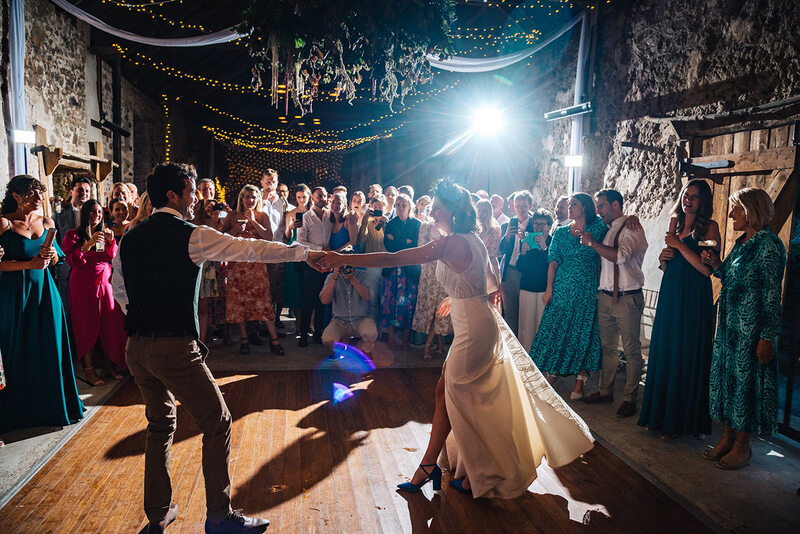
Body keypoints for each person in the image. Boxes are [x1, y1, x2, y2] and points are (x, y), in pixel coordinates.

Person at [319, 180, 594, 498]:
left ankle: (488, 468)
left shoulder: (451, 243)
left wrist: (340, 260)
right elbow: (490, 282)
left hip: (473, 332)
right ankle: (432, 466)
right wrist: (460, 296)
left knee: (465, 401)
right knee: (444, 393)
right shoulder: (472, 238)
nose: (433, 210)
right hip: (474, 323)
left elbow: (393, 259)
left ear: (453, 210)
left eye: (438, 206)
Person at [113, 163, 324, 532]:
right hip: (173, 347)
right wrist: (303, 254)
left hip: (137, 347)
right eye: (190, 191)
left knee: (160, 425)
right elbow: (249, 249)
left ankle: (158, 512)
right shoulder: (191, 236)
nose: (196, 197)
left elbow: (120, 291)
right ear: (172, 196)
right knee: (218, 421)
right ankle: (219, 517)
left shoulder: (130, 237)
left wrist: (143, 320)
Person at [700, 187, 786, 470]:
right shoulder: (742, 242)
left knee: (746, 386)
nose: (731, 214)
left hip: (751, 329)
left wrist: (766, 335)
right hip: (729, 327)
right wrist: (716, 264)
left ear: (750, 211)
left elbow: (772, 293)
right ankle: (726, 437)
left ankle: (742, 446)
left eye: (736, 208)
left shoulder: (770, 245)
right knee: (727, 380)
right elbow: (730, 277)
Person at [0, 175, 84, 432]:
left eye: (40, 193)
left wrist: (51, 256)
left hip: (45, 294)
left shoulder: (46, 222)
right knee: (17, 350)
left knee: (50, 347)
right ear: (15, 196)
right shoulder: (4, 223)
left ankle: (54, 407)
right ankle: (18, 412)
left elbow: (58, 257)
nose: (39, 199)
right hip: (14, 294)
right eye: (32, 193)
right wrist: (29, 264)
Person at [637, 180, 719, 437]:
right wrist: (663, 261)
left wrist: (680, 245)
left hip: (694, 297)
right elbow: (672, 266)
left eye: (694, 197)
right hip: (671, 292)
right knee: (665, 351)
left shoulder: (710, 227)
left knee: (685, 353)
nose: (688, 200)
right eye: (686, 195)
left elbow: (707, 270)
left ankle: (678, 422)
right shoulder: (675, 224)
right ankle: (657, 414)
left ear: (703, 200)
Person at [529, 193, 608, 401]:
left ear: (585, 208)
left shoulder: (599, 228)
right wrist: (549, 289)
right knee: (556, 330)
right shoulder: (561, 233)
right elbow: (553, 262)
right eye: (569, 204)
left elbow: (608, 252)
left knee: (583, 333)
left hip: (587, 291)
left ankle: (580, 379)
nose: (570, 207)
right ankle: (554, 370)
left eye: (574, 204)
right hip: (562, 289)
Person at [580, 189, 648, 414]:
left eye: (602, 206)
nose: (599, 211)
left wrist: (591, 244)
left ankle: (629, 397)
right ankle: (606, 391)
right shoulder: (609, 229)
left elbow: (620, 257)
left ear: (616, 205)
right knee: (608, 348)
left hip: (627, 298)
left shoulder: (632, 228)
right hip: (606, 297)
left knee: (631, 350)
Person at [63, 199, 126, 386]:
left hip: (105, 282)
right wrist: (88, 243)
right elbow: (72, 261)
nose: (95, 215)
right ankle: (89, 370)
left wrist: (110, 241)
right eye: (91, 212)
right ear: (85, 214)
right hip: (83, 284)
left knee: (108, 324)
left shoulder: (104, 233)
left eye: (98, 212)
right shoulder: (73, 235)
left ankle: (108, 365)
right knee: (86, 325)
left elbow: (111, 257)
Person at [221, 185, 284, 355]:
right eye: (247, 196)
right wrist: (235, 230)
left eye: (253, 197)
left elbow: (269, 237)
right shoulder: (232, 215)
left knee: (263, 300)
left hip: (256, 265)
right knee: (240, 302)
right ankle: (244, 339)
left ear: (258, 200)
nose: (250, 200)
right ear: (241, 198)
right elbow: (221, 236)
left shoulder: (262, 215)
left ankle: (274, 340)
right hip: (237, 265)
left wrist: (253, 222)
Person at [319, 250, 378, 358]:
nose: (346, 267)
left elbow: (368, 297)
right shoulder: (331, 277)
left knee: (371, 333)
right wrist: (334, 277)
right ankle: (341, 350)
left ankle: (367, 350)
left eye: (349, 262)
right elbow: (324, 300)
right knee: (327, 339)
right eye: (343, 263)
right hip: (340, 321)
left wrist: (353, 279)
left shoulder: (364, 275)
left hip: (361, 318)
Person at [381, 193, 421, 350]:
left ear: (410, 205)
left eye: (404, 204)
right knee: (389, 302)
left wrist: (397, 241)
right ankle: (391, 337)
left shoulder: (417, 224)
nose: (401, 207)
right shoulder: (390, 224)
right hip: (392, 270)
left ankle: (405, 338)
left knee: (408, 304)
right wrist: (405, 241)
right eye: (398, 204)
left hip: (409, 270)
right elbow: (388, 246)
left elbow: (415, 245)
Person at [411, 216, 453, 360]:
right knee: (429, 310)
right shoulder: (426, 225)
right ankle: (439, 343)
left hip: (445, 271)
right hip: (429, 272)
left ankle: (428, 345)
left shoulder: (450, 225)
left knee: (440, 310)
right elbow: (421, 247)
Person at [297, 186, 333, 346]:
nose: (322, 198)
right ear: (312, 197)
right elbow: (300, 241)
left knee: (322, 301)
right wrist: (320, 249)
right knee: (308, 301)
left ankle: (318, 333)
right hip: (311, 263)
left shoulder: (329, 215)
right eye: (319, 196)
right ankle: (303, 335)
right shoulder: (306, 217)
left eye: (324, 196)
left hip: (327, 263)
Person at [516, 209, 553, 353]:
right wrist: (523, 253)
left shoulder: (552, 241)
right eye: (536, 224)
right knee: (526, 326)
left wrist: (544, 249)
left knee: (542, 326)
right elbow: (520, 267)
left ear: (549, 226)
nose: (538, 227)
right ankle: (526, 358)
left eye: (542, 224)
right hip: (527, 287)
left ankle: (542, 361)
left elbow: (552, 267)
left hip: (544, 288)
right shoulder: (528, 239)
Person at [54, 176, 92, 316]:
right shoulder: (59, 213)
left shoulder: (95, 213)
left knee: (86, 311)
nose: (84, 193)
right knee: (66, 309)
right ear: (71, 191)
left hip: (88, 267)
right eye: (80, 190)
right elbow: (56, 241)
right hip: (66, 268)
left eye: (87, 191)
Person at [499, 190, 534, 336]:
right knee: (509, 312)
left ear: (530, 206)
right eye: (517, 206)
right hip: (508, 272)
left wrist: (526, 237)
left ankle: (525, 345)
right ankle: (512, 347)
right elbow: (501, 251)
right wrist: (507, 236)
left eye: (524, 206)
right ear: (513, 207)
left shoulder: (535, 224)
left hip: (526, 274)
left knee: (525, 313)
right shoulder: (507, 225)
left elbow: (536, 252)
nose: (520, 209)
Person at [192, 199, 224, 345]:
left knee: (203, 307)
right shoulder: (183, 219)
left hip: (206, 266)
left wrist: (217, 220)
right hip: (189, 264)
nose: (196, 204)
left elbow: (218, 240)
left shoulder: (208, 221)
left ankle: (201, 342)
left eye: (199, 201)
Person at [283, 184, 311, 333]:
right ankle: (299, 326)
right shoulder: (290, 213)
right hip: (294, 251)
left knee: (309, 288)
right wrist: (291, 227)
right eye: (299, 197)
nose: (301, 200)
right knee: (296, 289)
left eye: (304, 197)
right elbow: (286, 235)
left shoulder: (313, 213)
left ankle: (309, 325)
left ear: (309, 196)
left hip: (310, 250)